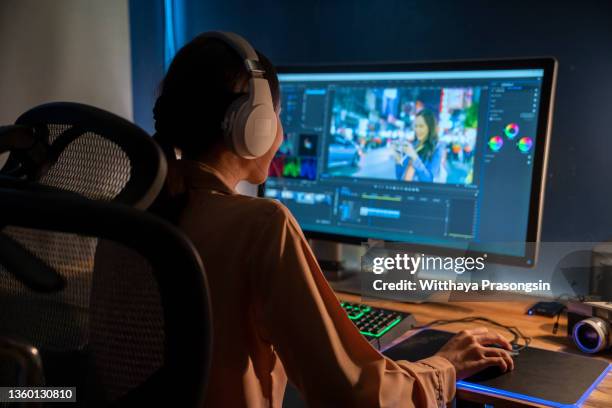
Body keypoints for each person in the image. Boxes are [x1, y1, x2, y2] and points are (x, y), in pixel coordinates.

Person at [152, 32, 514, 407]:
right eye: (277, 115)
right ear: (252, 125)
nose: (282, 131)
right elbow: (353, 395)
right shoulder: (261, 226)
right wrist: (445, 366)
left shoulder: (143, 214)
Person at [394, 109, 446, 182]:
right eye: (416, 126)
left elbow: (429, 180)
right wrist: (398, 158)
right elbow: (399, 177)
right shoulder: (413, 145)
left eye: (421, 126)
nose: (417, 130)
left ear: (430, 127)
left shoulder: (437, 148)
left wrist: (415, 158)